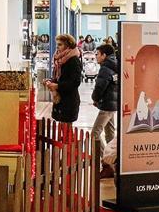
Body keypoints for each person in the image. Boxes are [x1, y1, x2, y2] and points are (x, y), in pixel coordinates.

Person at [90, 44, 119, 178]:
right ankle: (114, 162)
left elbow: (100, 87)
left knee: (95, 133)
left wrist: (95, 98)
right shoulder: (116, 65)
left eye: (98, 54)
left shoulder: (105, 68)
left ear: (104, 55)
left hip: (107, 106)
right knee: (110, 135)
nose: (96, 56)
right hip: (113, 105)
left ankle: (107, 161)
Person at [44, 34, 83, 125]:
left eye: (60, 44)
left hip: (69, 100)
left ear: (68, 45)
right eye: (57, 44)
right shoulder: (60, 60)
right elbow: (59, 77)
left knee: (66, 130)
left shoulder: (73, 60)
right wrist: (50, 81)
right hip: (61, 98)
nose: (57, 47)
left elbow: (75, 82)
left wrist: (57, 85)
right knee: (63, 128)